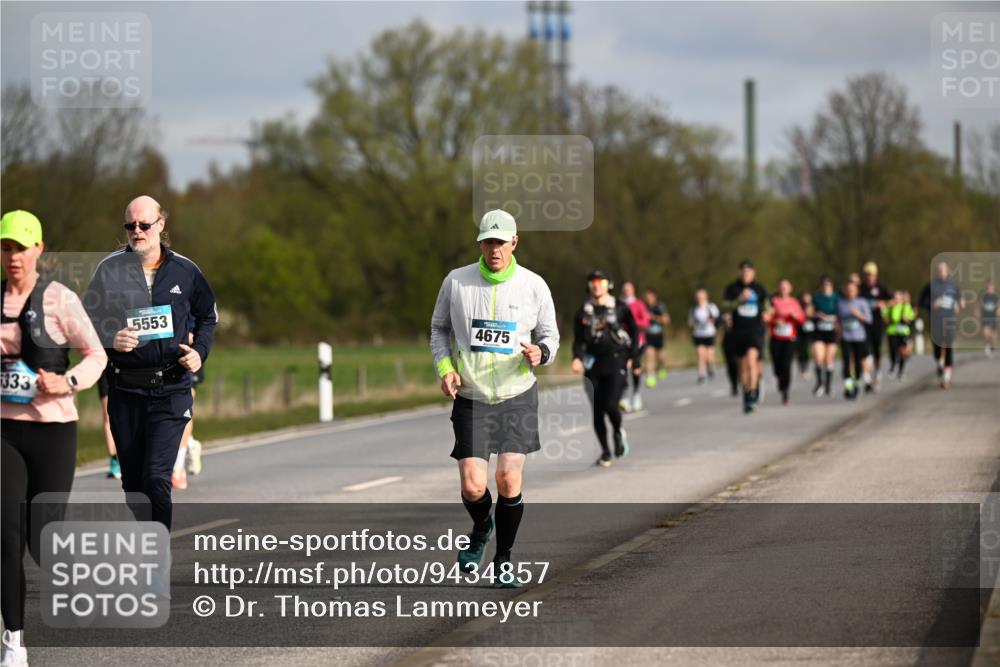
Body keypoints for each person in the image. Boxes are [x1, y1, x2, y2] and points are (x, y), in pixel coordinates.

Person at [430, 209, 559, 588]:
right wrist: (445, 369)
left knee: (506, 476)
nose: (494, 249)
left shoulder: (533, 285)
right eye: (488, 241)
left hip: (516, 394)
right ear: (480, 244)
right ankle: (482, 527)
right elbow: (438, 330)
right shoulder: (457, 282)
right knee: (472, 485)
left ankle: (504, 559)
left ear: (514, 242)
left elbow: (550, 335)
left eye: (501, 242)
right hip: (471, 395)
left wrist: (541, 352)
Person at [1, 210, 107, 667]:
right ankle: (13, 641)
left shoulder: (59, 298)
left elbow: (96, 353)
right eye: (6, 247)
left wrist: (68, 382)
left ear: (39, 250)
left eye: (21, 247)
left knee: (42, 541)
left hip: (53, 431)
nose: (13, 257)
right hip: (4, 430)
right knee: (4, 535)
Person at [83, 195, 217, 528]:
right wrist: (111, 338)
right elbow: (86, 322)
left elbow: (207, 316)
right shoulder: (108, 269)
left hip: (171, 390)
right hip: (126, 392)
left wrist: (200, 351)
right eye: (130, 226)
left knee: (156, 478)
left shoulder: (185, 271)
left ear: (161, 224)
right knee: (134, 488)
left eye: (144, 225)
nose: (137, 232)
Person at [572, 270, 641, 468]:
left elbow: (635, 332)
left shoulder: (620, 308)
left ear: (608, 284)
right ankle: (605, 451)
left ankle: (618, 431)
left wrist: (634, 358)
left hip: (617, 360)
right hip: (593, 364)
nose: (596, 285)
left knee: (611, 404)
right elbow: (578, 341)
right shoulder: (582, 312)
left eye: (600, 281)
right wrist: (577, 358)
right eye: (593, 281)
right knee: (597, 411)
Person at [722, 260, 770, 413]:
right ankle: (747, 394)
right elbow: (725, 306)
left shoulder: (759, 288)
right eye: (743, 272)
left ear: (753, 273)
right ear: (740, 273)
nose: (746, 274)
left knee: (751, 361)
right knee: (742, 366)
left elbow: (768, 306)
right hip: (738, 331)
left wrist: (767, 313)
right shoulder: (732, 288)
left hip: (755, 330)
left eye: (748, 272)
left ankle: (753, 393)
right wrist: (739, 300)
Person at [918, 261, 963, 389]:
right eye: (939, 270)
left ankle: (947, 377)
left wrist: (959, 304)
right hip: (935, 320)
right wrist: (931, 305)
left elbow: (959, 297)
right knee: (937, 348)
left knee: (948, 346)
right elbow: (921, 301)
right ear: (936, 272)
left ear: (947, 271)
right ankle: (939, 362)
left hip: (949, 320)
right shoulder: (930, 286)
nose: (942, 272)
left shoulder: (953, 285)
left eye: (944, 269)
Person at [767, 280, 806, 405]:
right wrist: (774, 321)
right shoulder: (774, 301)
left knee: (787, 364)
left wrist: (795, 317)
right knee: (778, 366)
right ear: (779, 288)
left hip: (790, 338)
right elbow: (767, 317)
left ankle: (785, 391)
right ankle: (780, 379)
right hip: (776, 337)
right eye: (781, 287)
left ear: (790, 289)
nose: (783, 289)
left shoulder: (794, 302)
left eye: (786, 287)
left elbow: (802, 319)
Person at [618, 281, 650, 412]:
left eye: (629, 289)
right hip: (621, 341)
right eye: (624, 289)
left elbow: (645, 322)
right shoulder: (617, 304)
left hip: (638, 341)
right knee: (622, 368)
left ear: (633, 290)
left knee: (634, 367)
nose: (626, 291)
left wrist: (632, 324)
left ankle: (636, 394)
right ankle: (624, 397)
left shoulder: (639, 304)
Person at [838, 279, 872, 400]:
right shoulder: (841, 303)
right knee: (847, 362)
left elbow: (869, 319)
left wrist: (858, 314)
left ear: (856, 291)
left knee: (858, 363)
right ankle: (848, 387)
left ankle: (857, 385)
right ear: (845, 291)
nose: (850, 292)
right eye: (848, 290)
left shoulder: (862, 303)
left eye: (852, 290)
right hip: (846, 337)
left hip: (859, 337)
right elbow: (838, 320)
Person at [859, 261, 891, 393]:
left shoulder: (881, 287)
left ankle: (877, 373)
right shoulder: (860, 289)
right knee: (865, 350)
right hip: (864, 324)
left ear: (875, 275)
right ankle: (866, 379)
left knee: (877, 350)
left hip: (878, 323)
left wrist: (883, 304)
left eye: (871, 275)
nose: (869, 277)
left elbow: (894, 300)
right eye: (867, 275)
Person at [811, 276, 840, 397]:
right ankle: (819, 383)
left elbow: (841, 313)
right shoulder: (817, 298)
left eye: (828, 285)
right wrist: (816, 314)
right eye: (824, 285)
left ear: (832, 286)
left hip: (831, 332)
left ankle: (828, 385)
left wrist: (830, 318)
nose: (826, 287)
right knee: (818, 357)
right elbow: (809, 312)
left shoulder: (836, 298)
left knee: (828, 359)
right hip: (819, 331)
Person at [688, 289, 720, 384]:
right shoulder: (694, 309)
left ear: (706, 297)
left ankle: (710, 367)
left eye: (701, 296)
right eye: (698, 297)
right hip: (698, 334)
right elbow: (690, 323)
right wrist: (695, 323)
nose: (699, 299)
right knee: (700, 355)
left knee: (709, 356)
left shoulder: (711, 307)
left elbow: (718, 318)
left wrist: (711, 321)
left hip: (709, 334)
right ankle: (701, 375)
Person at [883, 290, 916, 380]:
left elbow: (912, 318)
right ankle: (893, 364)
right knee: (892, 350)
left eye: (898, 298)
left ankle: (901, 371)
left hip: (903, 332)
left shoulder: (906, 306)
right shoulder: (889, 308)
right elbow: (884, 318)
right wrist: (888, 319)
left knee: (903, 352)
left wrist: (906, 319)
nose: (896, 300)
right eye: (895, 298)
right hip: (892, 331)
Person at [642, 289, 670, 387]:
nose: (648, 298)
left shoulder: (660, 306)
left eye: (650, 296)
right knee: (649, 355)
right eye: (646, 296)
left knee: (660, 356)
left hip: (658, 334)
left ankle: (662, 367)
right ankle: (650, 377)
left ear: (654, 296)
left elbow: (666, 320)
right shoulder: (644, 306)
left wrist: (653, 317)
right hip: (648, 335)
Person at [97, 369, 121, 479]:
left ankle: (127, 456)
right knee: (108, 417)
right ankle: (114, 461)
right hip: (105, 369)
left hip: (126, 368)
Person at [796, 291, 816, 380]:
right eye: (805, 297)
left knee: (808, 350)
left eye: (808, 297)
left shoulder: (813, 306)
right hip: (801, 332)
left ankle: (806, 368)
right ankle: (801, 368)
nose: (806, 299)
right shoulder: (799, 306)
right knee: (801, 350)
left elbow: (813, 316)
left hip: (811, 332)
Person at [979, 280, 997, 358]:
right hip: (985, 316)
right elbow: (979, 304)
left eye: (991, 286)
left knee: (993, 335)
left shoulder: (996, 296)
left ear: (993, 287)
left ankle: (992, 346)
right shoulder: (984, 295)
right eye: (988, 286)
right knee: (986, 332)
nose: (990, 288)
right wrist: (978, 311)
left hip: (993, 317)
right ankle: (987, 345)